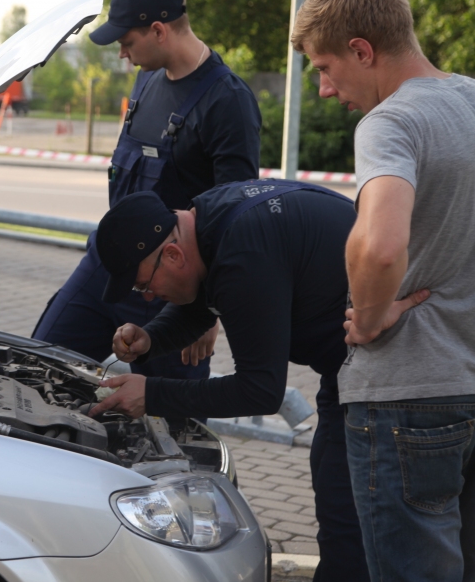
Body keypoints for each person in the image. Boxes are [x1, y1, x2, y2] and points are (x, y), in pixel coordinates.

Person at [90, 182, 427, 581]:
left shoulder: (243, 255)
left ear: (174, 254)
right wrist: (152, 338)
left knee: (349, 526)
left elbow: (259, 390)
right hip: (357, 370)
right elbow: (205, 296)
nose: (147, 298)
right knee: (336, 492)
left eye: (144, 285)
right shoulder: (210, 218)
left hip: (397, 378)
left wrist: (152, 394)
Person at [291, 0, 475, 582]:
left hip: (408, 398)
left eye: (325, 67)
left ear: (362, 50)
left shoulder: (390, 122)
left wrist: (370, 318)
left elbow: (379, 245)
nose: (324, 89)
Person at [32, 0, 261, 387]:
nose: (122, 54)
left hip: (169, 294)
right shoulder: (146, 79)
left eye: (126, 42)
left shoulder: (227, 101)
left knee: (171, 417)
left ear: (158, 30)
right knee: (39, 369)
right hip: (106, 269)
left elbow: (235, 220)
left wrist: (207, 313)